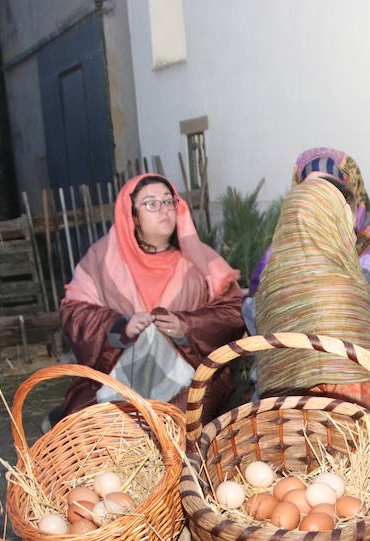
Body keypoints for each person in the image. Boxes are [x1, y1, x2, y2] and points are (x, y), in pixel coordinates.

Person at [57, 173, 244, 419]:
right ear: (132, 214)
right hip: (116, 373)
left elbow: (231, 313)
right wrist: (119, 327)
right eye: (151, 203)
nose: (164, 210)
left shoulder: (202, 260)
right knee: (92, 420)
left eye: (169, 201)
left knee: (180, 419)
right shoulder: (103, 259)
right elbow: (75, 314)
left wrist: (186, 327)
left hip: (190, 373)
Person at [245, 147, 370, 374]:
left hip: (363, 385)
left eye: (330, 188)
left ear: (350, 194)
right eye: (310, 189)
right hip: (294, 393)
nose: (321, 198)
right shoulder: (279, 253)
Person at [254, 173, 370, 429]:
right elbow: (360, 385)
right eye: (347, 224)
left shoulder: (269, 286)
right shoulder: (339, 284)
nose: (354, 237)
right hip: (343, 431)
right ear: (329, 223)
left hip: (283, 428)